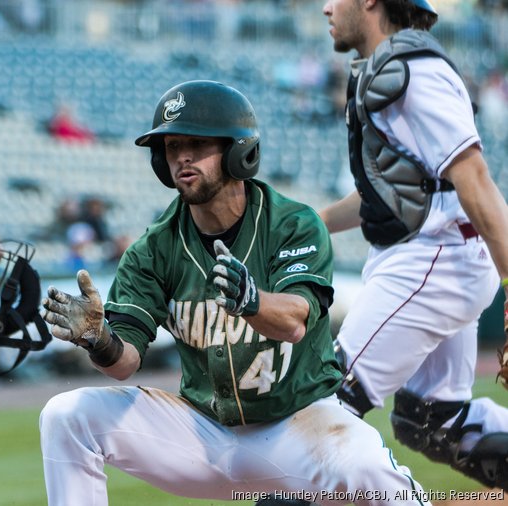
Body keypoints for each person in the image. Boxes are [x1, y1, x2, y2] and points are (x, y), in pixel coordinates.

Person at [39, 80, 431, 506]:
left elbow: (296, 321)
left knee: (369, 470)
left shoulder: (293, 224)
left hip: (296, 426)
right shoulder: (153, 249)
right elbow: (125, 363)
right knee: (66, 415)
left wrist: (252, 300)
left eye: (197, 143)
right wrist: (99, 341)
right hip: (201, 433)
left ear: (238, 152)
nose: (182, 157)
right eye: (171, 147)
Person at [313, 0, 508, 494]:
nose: (325, 7)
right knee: (431, 420)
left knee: (321, 411)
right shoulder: (388, 69)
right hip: (426, 252)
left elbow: (475, 178)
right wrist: (309, 223)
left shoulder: (414, 71)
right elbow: (392, 192)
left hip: (435, 257)